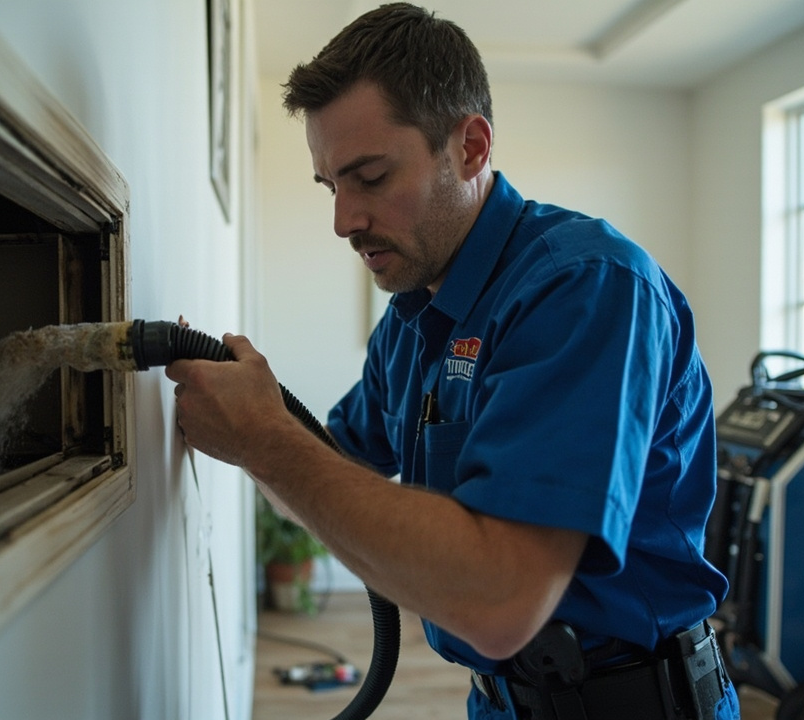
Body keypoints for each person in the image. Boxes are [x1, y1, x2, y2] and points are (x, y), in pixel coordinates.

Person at [165, 4, 740, 719]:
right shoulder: (412, 318)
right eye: (330, 186)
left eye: (369, 177)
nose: (343, 220)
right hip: (500, 701)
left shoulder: (584, 288)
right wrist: (247, 418)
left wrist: (268, 443)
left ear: (469, 147)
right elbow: (333, 470)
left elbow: (501, 601)